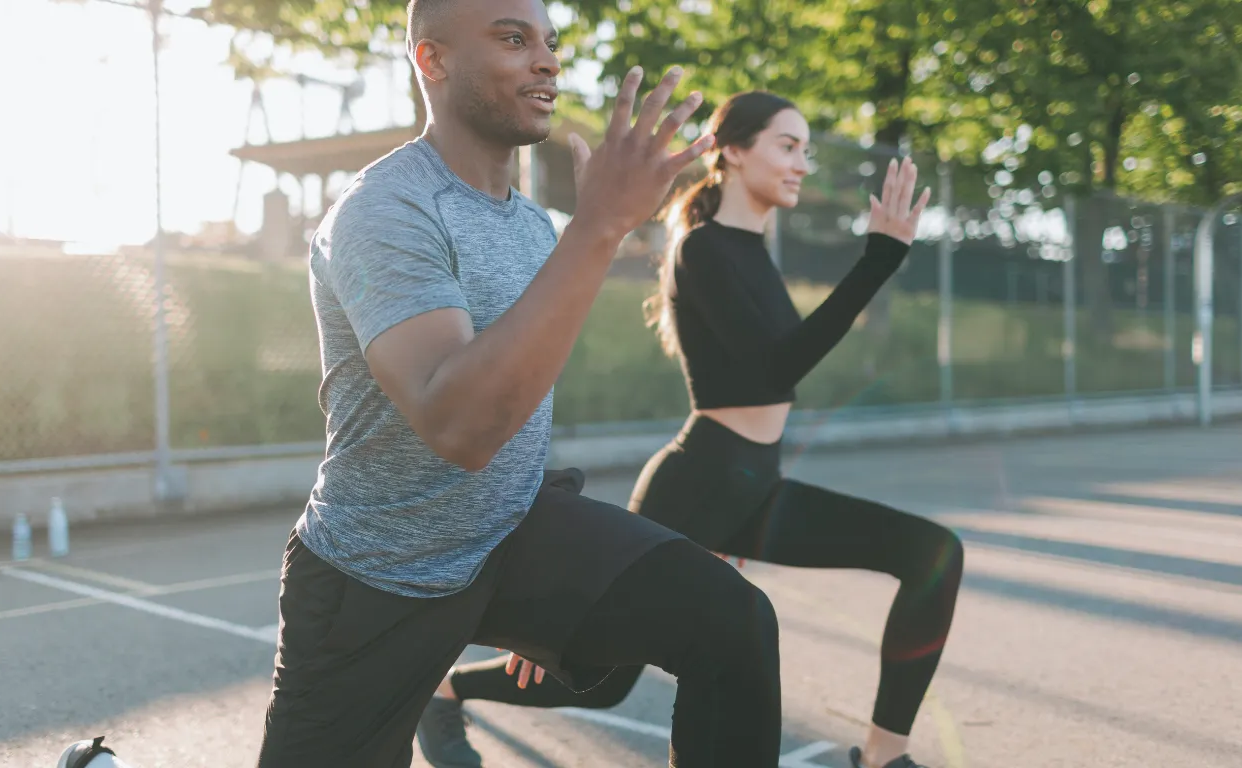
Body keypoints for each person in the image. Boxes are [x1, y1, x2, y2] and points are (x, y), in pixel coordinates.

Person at [251, 0, 796, 766]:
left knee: (731, 620)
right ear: (432, 61)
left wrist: (560, 593)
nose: (547, 60)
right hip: (377, 578)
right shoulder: (385, 212)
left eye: (550, 42)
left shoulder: (533, 226)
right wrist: (598, 227)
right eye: (513, 39)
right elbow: (461, 427)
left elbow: (520, 396)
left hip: (507, 539)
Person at [416, 92, 963, 768]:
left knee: (931, 556)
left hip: (756, 486)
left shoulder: (752, 251)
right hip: (698, 485)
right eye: (787, 146)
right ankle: (442, 687)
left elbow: (777, 370)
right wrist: (878, 258)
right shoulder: (701, 250)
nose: (801, 163)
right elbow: (777, 368)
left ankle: (883, 756)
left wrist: (880, 258)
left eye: (806, 149)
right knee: (604, 680)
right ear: (732, 150)